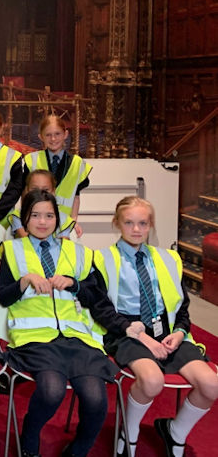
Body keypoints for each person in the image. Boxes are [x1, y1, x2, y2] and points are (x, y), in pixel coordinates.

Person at [0, 189, 141, 457]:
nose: (42, 221)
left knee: (96, 399)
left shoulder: (80, 253)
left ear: (58, 218)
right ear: (25, 219)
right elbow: (4, 298)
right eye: (35, 215)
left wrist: (75, 285)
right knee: (51, 391)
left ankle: (77, 451)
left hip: (77, 339)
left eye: (49, 215)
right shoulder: (12, 249)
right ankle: (29, 439)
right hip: (35, 339)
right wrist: (24, 281)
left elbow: (96, 298)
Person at [96, 196, 218, 457]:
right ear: (117, 223)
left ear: (150, 224)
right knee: (152, 381)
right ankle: (128, 433)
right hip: (126, 332)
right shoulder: (102, 259)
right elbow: (102, 310)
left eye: (143, 223)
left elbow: (181, 306)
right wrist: (141, 337)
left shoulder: (168, 258)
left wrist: (179, 332)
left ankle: (175, 433)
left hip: (167, 333)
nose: (136, 229)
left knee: (211, 384)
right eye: (129, 223)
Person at [24, 115, 91, 230]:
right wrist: (26, 217)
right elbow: (25, 194)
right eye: (48, 135)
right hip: (38, 221)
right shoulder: (32, 160)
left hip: (64, 222)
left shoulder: (77, 163)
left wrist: (74, 220)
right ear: (41, 137)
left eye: (57, 134)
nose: (53, 139)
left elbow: (76, 196)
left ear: (65, 134)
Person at [9, 170, 78, 240]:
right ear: (26, 190)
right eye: (35, 189)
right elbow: (25, 238)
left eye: (45, 190)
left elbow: (63, 244)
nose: (40, 193)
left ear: (53, 192)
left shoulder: (65, 220)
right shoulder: (17, 216)